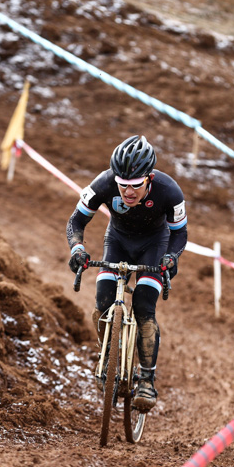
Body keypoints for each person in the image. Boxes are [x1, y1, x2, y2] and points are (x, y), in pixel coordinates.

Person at [66, 135, 187, 412]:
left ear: (150, 178)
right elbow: (76, 220)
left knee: (144, 307)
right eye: (122, 185)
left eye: (135, 186)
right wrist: (77, 248)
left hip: (154, 245)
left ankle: (147, 379)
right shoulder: (104, 183)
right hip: (118, 241)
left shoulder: (169, 191)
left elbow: (180, 234)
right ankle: (108, 356)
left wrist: (171, 257)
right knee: (102, 302)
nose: (128, 192)